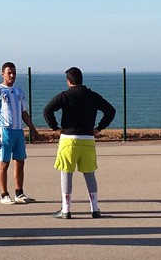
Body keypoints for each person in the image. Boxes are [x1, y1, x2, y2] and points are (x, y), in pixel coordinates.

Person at [43, 67, 116, 219]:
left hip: (68, 139)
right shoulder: (92, 95)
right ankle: (95, 209)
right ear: (81, 80)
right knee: (89, 174)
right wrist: (99, 128)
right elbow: (111, 111)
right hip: (88, 139)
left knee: (66, 173)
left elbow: (47, 110)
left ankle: (66, 210)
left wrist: (55, 128)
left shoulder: (65, 95)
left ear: (68, 81)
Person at [0, 62, 41, 205]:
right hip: (4, 131)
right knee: (4, 163)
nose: (12, 75)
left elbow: (24, 113)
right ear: (2, 73)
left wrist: (32, 129)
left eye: (14, 73)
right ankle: (4, 194)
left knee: (20, 161)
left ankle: (19, 192)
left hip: (18, 131)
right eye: (9, 72)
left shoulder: (19, 92)